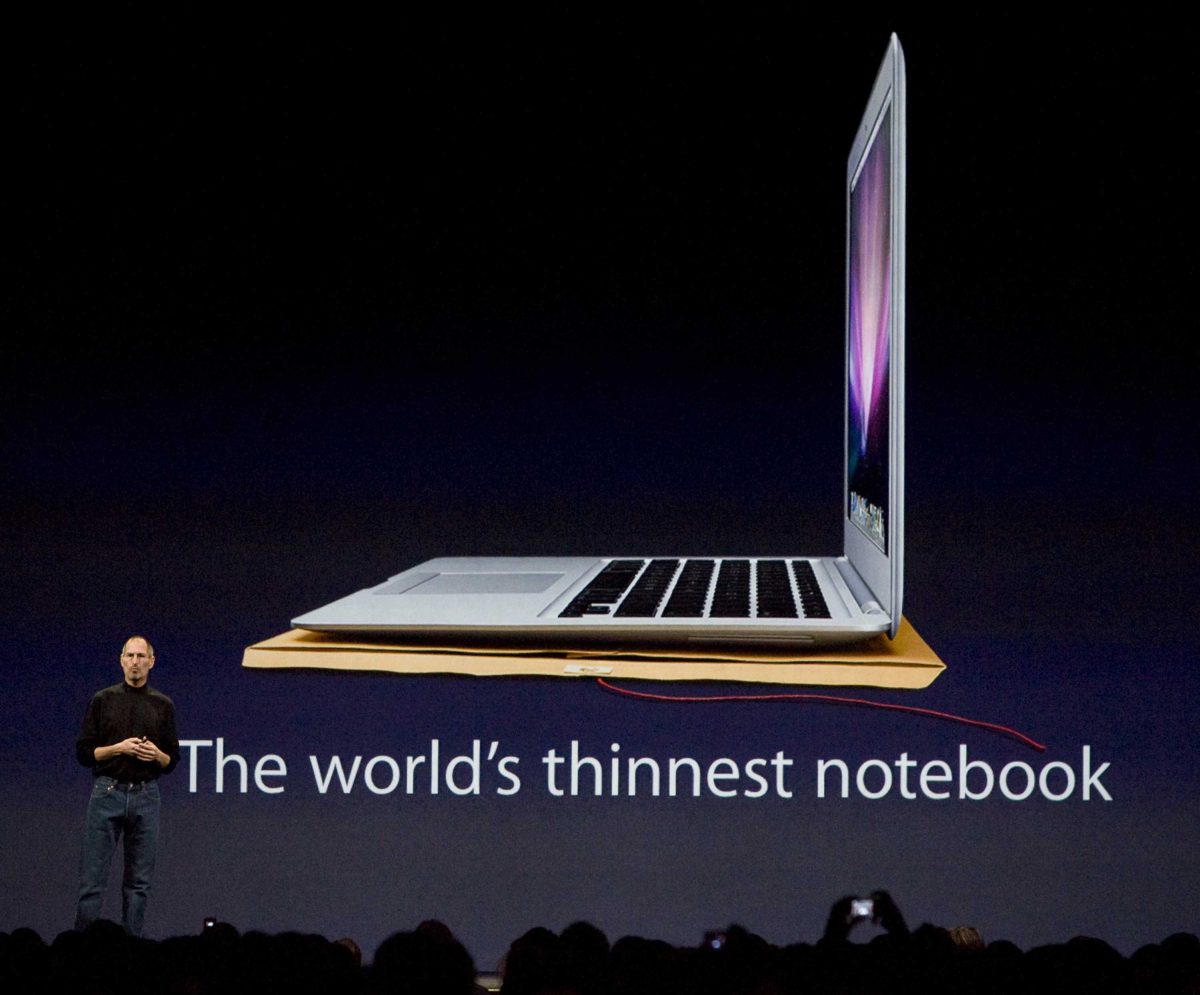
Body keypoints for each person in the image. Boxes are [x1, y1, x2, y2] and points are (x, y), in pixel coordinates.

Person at [74, 635, 179, 935]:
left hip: (146, 795)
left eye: (141, 656)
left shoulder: (163, 705)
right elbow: (84, 753)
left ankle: (132, 951)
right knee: (92, 882)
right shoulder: (102, 700)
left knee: (138, 884)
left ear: (151, 662)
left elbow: (173, 761)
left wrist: (157, 755)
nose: (135, 661)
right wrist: (118, 748)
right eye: (130, 656)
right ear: (121, 660)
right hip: (107, 792)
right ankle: (82, 949)